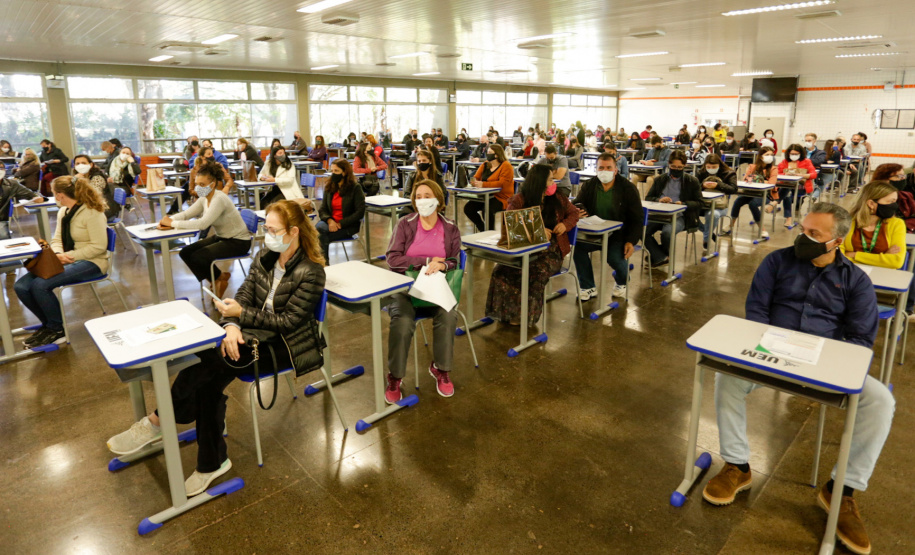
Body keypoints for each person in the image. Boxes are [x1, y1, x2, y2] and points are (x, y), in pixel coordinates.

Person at [704, 203, 892, 555]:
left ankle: (841, 490)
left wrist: (822, 360)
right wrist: (767, 347)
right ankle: (737, 465)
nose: (802, 238)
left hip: (823, 364)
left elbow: (860, 341)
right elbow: (757, 310)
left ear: (837, 241)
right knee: (727, 377)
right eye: (803, 229)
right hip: (770, 355)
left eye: (813, 234)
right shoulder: (776, 262)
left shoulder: (857, 282)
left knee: (881, 401)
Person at [107, 200, 326, 497]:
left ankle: (158, 422)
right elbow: (243, 294)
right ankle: (212, 462)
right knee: (208, 381)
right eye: (266, 228)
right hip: (251, 335)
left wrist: (240, 316)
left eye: (274, 230)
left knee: (209, 358)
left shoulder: (312, 271)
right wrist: (231, 326)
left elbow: (289, 323)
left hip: (285, 346)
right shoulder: (266, 256)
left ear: (294, 231)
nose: (267, 235)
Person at [385, 179, 460, 400]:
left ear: (438, 199)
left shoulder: (450, 227)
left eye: (427, 196)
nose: (422, 201)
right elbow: (392, 258)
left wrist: (444, 265)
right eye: (418, 197)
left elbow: (454, 260)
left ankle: (441, 369)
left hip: (436, 287)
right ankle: (395, 376)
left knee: (448, 315)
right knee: (402, 322)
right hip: (406, 288)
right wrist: (426, 261)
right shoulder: (405, 224)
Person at [15, 176, 108, 348]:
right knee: (21, 286)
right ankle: (48, 325)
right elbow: (57, 239)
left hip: (93, 262)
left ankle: (58, 330)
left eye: (53, 193)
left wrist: (69, 256)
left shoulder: (92, 212)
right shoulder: (63, 211)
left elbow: (99, 247)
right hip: (67, 259)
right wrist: (58, 254)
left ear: (59, 195)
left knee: (40, 285)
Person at [485, 165, 579, 326]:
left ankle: (526, 317)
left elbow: (574, 213)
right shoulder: (519, 200)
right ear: (539, 182)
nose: (553, 183)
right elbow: (510, 225)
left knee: (535, 273)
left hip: (551, 251)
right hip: (524, 249)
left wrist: (565, 224)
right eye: (550, 180)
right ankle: (504, 313)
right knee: (501, 270)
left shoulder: (558, 198)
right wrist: (537, 230)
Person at [160, 160, 251, 299]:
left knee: (199, 256)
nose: (198, 188)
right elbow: (186, 214)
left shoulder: (219, 199)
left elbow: (203, 224)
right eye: (197, 184)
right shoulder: (204, 198)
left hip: (238, 242)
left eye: (202, 185)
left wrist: (173, 223)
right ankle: (219, 278)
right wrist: (167, 220)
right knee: (185, 252)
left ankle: (218, 280)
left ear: (212, 184)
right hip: (222, 237)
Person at [573, 153, 643, 300]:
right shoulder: (589, 185)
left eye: (609, 168)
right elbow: (577, 203)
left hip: (618, 234)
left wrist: (631, 241)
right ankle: (588, 286)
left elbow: (637, 218)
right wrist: (577, 211)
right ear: (596, 169)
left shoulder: (628, 188)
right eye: (601, 168)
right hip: (593, 231)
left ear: (615, 170)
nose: (604, 171)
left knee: (614, 258)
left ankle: (622, 280)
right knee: (578, 249)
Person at [643, 151, 702, 268]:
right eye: (673, 166)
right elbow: (648, 198)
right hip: (659, 214)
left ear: (684, 166)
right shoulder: (660, 179)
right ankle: (661, 257)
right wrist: (659, 200)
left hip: (680, 216)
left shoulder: (692, 181)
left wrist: (683, 203)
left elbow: (699, 203)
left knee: (667, 233)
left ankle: (658, 255)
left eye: (680, 167)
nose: (676, 169)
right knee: (642, 230)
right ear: (669, 165)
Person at [840, 180, 906, 269]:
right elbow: (838, 258)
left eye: (895, 201)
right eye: (890, 201)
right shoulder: (846, 222)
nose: (894, 205)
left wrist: (855, 255)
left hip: (883, 275)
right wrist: (882, 258)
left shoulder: (896, 224)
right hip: (850, 272)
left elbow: (896, 262)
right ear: (871, 204)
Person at [316, 159, 365, 260]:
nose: (333, 173)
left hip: (347, 226)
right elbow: (322, 209)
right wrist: (330, 221)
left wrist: (341, 224)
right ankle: (323, 262)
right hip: (330, 223)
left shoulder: (355, 188)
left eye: (336, 171)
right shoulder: (329, 186)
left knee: (320, 237)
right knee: (319, 230)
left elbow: (359, 212)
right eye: (332, 171)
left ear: (345, 172)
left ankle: (323, 263)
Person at [725, 146, 777, 240]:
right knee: (738, 201)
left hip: (765, 194)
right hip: (750, 192)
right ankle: (731, 225)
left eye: (771, 155)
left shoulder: (773, 169)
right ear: (761, 156)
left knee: (753, 204)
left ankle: (762, 229)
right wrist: (761, 180)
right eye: (767, 155)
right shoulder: (752, 167)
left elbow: (772, 183)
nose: (770, 157)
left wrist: (756, 179)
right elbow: (746, 179)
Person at [466, 144, 513, 232]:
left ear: (497, 155)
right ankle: (483, 229)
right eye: (487, 152)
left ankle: (490, 232)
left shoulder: (506, 166)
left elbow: (502, 184)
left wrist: (483, 184)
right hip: (485, 195)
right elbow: (476, 177)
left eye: (490, 152)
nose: (487, 154)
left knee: (487, 210)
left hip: (501, 197)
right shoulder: (485, 164)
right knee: (468, 208)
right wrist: (474, 182)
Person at [695, 154, 738, 249]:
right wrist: (702, 186)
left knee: (712, 214)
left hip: (719, 205)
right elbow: (693, 188)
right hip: (702, 204)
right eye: (708, 167)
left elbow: (733, 189)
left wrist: (718, 185)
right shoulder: (701, 172)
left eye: (714, 167)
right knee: (687, 213)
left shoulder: (729, 173)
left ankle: (706, 240)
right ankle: (709, 233)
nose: (711, 169)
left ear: (719, 164)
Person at [776, 144, 817, 228]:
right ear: (788, 154)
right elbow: (777, 173)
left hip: (801, 186)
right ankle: (789, 218)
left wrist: (801, 175)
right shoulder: (784, 162)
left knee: (786, 192)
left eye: (796, 154)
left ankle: (776, 201)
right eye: (792, 154)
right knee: (787, 193)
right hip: (787, 185)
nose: (794, 156)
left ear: (800, 154)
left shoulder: (806, 161)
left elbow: (814, 174)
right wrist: (786, 174)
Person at [0, 163, 43, 239]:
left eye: (1, 168)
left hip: (1, 220)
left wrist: (37, 198)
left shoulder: (12, 184)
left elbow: (31, 195)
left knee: (3, 237)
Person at [72, 154, 118, 221]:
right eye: (77, 164)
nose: (80, 166)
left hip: (103, 209)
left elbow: (92, 196)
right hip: (91, 207)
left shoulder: (97, 177)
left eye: (83, 163)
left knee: (77, 219)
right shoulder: (80, 177)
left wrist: (76, 182)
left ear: (91, 165)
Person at [402, 149, 443, 214]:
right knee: (404, 213)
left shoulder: (437, 176)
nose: (421, 163)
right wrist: (418, 201)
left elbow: (442, 193)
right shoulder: (412, 176)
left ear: (430, 161)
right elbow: (406, 194)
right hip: (415, 205)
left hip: (432, 205)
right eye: (419, 161)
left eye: (424, 160)